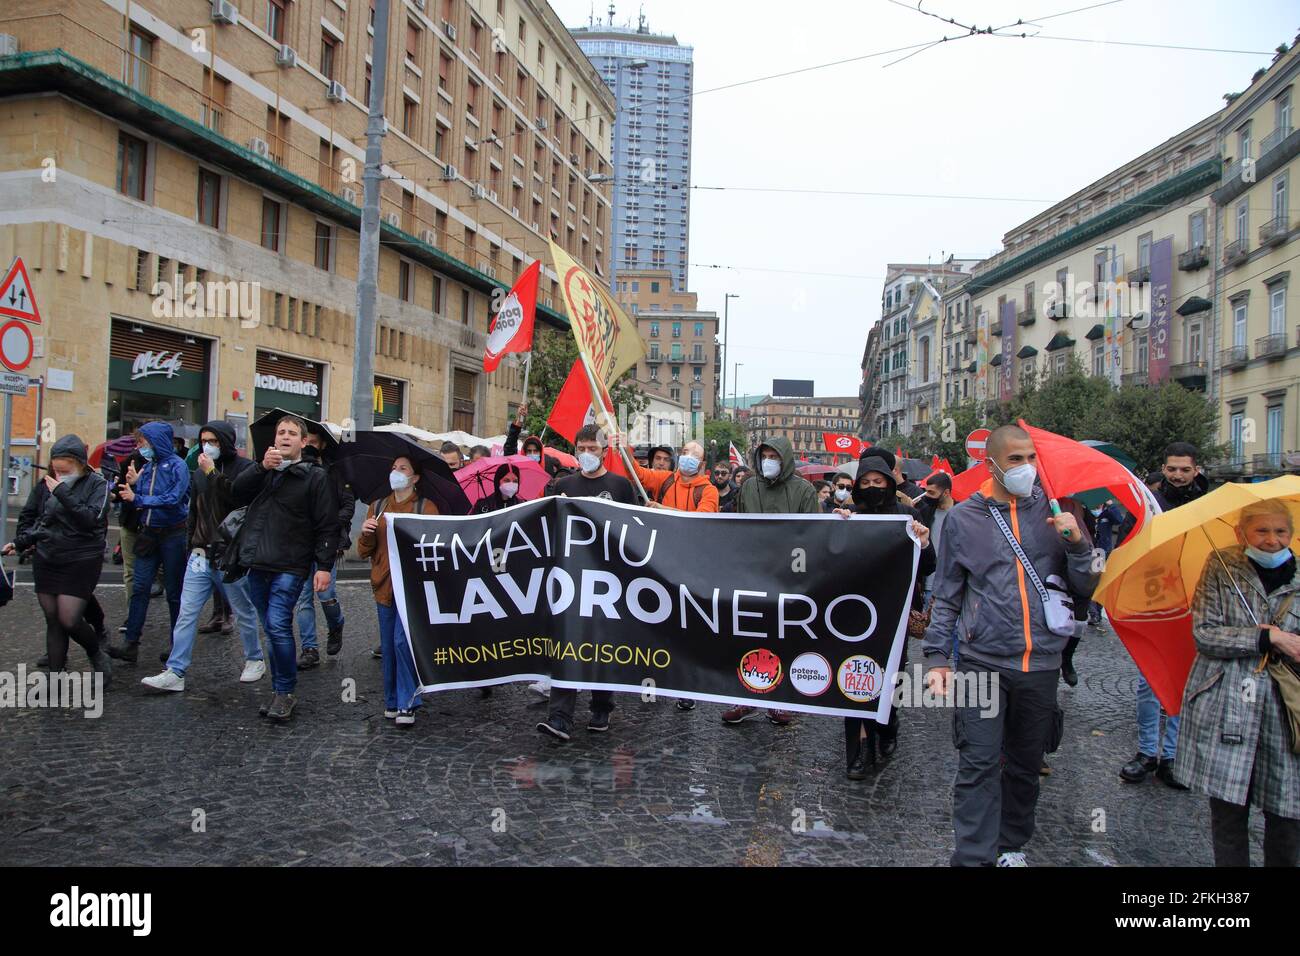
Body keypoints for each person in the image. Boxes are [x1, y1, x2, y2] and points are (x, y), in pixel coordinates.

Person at [923, 424, 1099, 867]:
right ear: (993, 464)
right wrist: (938, 658)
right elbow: (946, 595)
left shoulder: (1062, 512)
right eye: (1016, 460)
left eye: (1031, 459)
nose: (1026, 468)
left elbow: (1088, 585)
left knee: (1024, 765)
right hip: (981, 662)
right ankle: (972, 854)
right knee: (978, 762)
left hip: (1041, 665)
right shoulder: (964, 519)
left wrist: (1078, 546)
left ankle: (1011, 846)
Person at [1177, 499, 1300, 866]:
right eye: (1261, 530)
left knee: (1288, 815)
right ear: (1240, 532)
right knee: (1229, 814)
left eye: (1280, 531)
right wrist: (1265, 639)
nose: (1272, 540)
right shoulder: (1221, 565)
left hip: (1287, 710)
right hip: (1228, 705)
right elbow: (1205, 634)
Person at [139, 422, 266, 692]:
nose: (207, 445)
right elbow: (193, 511)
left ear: (226, 442)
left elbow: (235, 502)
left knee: (243, 610)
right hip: (200, 551)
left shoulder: (244, 469)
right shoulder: (197, 472)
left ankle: (255, 658)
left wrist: (212, 475)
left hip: (230, 555)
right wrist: (190, 545)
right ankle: (176, 670)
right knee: (187, 612)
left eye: (214, 440)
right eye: (204, 439)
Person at [834, 447, 934, 778]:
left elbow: (929, 566)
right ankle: (860, 750)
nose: (872, 486)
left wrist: (924, 542)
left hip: (893, 613)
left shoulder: (908, 516)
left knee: (888, 676)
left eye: (879, 480)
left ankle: (888, 723)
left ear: (889, 483)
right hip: (853, 612)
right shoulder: (848, 514)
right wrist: (838, 528)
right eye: (866, 481)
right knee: (853, 675)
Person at [231, 415, 338, 722]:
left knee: (278, 624)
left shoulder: (314, 477)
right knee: (270, 627)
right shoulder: (263, 470)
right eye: (281, 432)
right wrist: (260, 468)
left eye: (292, 433)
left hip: (291, 564)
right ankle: (279, 688)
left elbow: (326, 525)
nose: (285, 436)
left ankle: (285, 691)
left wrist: (324, 566)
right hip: (258, 561)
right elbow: (236, 494)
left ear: (304, 442)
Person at [536, 424, 637, 742]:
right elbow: (542, 523)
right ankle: (560, 716)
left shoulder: (620, 486)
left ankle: (601, 706)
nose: (587, 453)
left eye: (593, 448)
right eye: (581, 448)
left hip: (608, 581)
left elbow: (635, 531)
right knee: (566, 644)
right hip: (570, 580)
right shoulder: (563, 484)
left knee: (602, 646)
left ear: (604, 450)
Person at [1119, 443, 1207, 786]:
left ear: (1196, 470)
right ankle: (1147, 753)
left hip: (1196, 603)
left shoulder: (1207, 504)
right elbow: (1124, 546)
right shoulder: (1146, 505)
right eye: (1172, 469)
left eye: (1185, 469)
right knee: (1149, 682)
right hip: (1153, 602)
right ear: (1164, 468)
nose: (1178, 475)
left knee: (1184, 683)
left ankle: (1173, 756)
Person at [724, 437, 819, 727]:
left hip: (788, 576)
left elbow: (814, 534)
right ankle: (746, 697)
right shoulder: (749, 487)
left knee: (783, 638)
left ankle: (780, 701)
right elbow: (739, 527)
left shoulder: (804, 491)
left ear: (785, 458)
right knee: (749, 637)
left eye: (773, 456)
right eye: (764, 455)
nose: (768, 460)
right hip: (752, 573)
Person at [5, 436, 113, 687]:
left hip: (81, 558)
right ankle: (54, 676)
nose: (59, 474)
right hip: (48, 556)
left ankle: (96, 653)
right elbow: (38, 519)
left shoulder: (97, 485)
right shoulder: (46, 484)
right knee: (53, 619)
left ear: (80, 464)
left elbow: (90, 519)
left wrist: (62, 492)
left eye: (65, 470)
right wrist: (20, 542)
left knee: (69, 619)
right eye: (56, 469)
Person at [357, 456, 440, 727]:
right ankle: (392, 701)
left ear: (415, 478)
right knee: (389, 648)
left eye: (404, 468)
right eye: (394, 467)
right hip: (384, 587)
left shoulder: (426, 508)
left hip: (413, 589)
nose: (396, 472)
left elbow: (436, 549)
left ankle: (408, 702)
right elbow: (362, 552)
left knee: (403, 643)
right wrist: (367, 532)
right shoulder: (377, 507)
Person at [108, 422, 191, 666]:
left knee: (174, 593)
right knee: (140, 588)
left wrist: (138, 496)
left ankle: (178, 645)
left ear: (156, 442)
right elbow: (138, 501)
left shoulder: (178, 466)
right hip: (149, 534)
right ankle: (131, 643)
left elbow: (174, 499)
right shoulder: (148, 466)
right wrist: (133, 487)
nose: (140, 447)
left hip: (173, 536)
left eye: (143, 443)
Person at [295, 429, 355, 668]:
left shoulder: (335, 472)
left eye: (313, 441)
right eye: (305, 440)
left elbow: (348, 506)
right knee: (303, 598)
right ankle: (309, 648)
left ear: (321, 445)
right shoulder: (294, 470)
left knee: (326, 595)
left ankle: (336, 623)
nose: (308, 444)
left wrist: (327, 524)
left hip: (328, 543)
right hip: (300, 544)